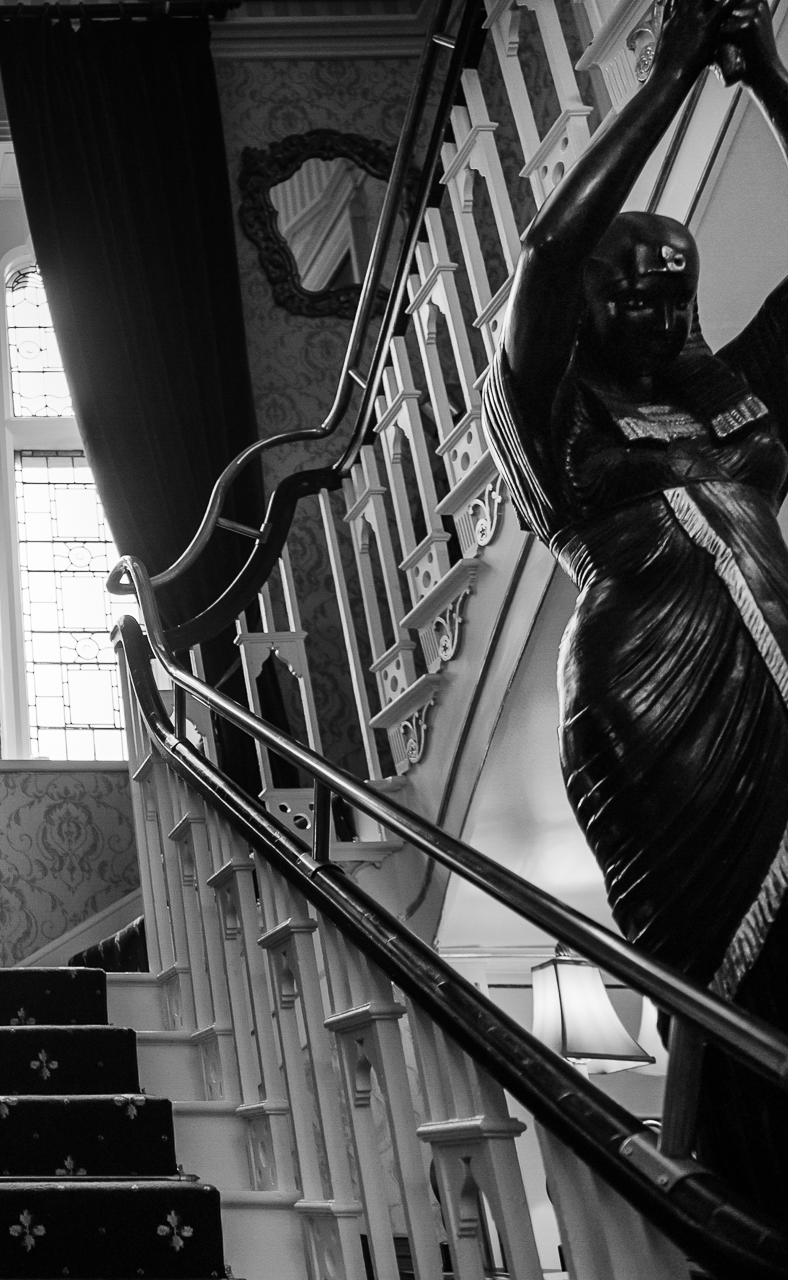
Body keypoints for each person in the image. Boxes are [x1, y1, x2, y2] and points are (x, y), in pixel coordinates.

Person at [486, 0, 788, 1211]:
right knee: (727, 963)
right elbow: (547, 260)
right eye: (638, 296)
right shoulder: (554, 414)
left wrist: (764, 77)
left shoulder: (731, 394)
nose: (664, 316)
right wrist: (669, 80)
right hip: (650, 705)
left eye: (680, 294)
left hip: (772, 681)